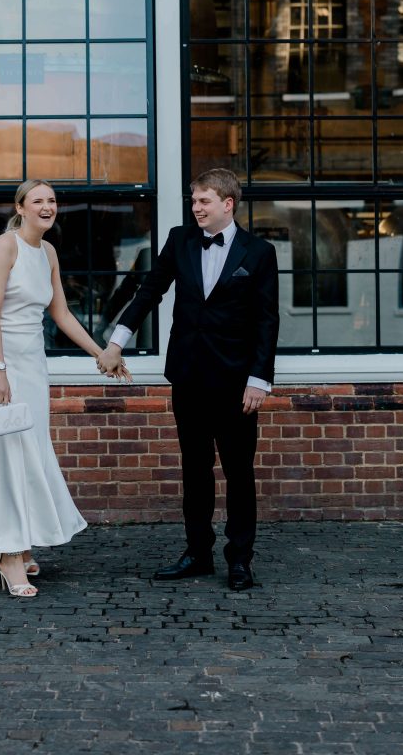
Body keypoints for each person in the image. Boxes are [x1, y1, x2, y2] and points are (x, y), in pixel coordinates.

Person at [97, 169, 279, 590]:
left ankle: (239, 559)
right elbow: (149, 291)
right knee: (194, 471)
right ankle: (197, 553)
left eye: (204, 201)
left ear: (227, 204)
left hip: (237, 383)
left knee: (239, 472)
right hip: (189, 376)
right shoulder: (180, 240)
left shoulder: (259, 252)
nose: (195, 208)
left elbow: (267, 321)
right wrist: (116, 343)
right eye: (193, 201)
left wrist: (259, 379)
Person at [0, 179, 131, 598]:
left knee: (32, 451)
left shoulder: (49, 252)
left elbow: (61, 312)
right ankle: (7, 555)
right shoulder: (5, 247)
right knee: (8, 453)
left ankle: (21, 542)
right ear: (20, 207)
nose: (47, 206)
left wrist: (102, 353)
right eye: (38, 200)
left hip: (32, 361)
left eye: (52, 200)